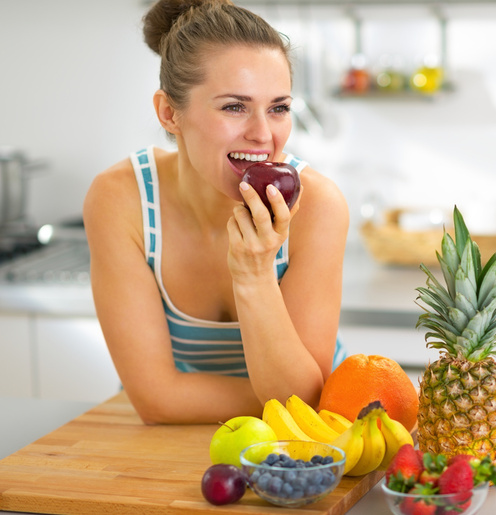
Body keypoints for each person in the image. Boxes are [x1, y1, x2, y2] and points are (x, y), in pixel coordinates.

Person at [83, 0, 349, 425]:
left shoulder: (317, 205)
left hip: (299, 450)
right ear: (170, 113)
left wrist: (255, 274)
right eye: (234, 107)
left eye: (278, 107)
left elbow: (305, 401)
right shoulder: (122, 199)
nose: (263, 134)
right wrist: (293, 397)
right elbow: (155, 401)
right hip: (165, 454)